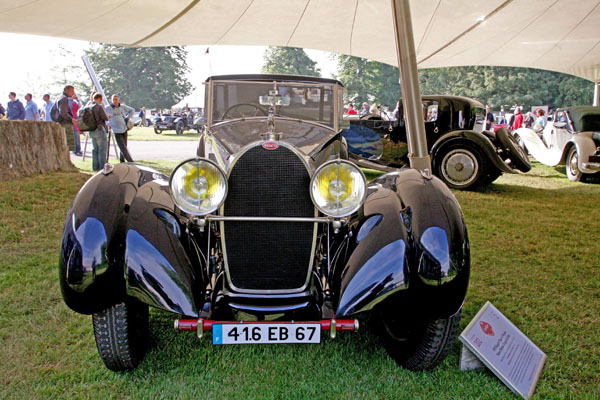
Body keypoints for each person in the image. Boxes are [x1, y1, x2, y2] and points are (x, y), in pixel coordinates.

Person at [105, 94, 135, 162]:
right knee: (122, 147)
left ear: (118, 100)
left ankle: (122, 160)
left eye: (116, 99)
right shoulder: (107, 108)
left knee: (124, 146)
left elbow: (132, 110)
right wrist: (108, 123)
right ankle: (130, 161)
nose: (115, 101)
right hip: (116, 130)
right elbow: (104, 117)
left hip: (124, 129)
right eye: (113, 99)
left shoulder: (122, 107)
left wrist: (127, 118)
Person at [88, 93, 110, 171]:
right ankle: (102, 167)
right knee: (102, 149)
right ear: (100, 99)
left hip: (91, 130)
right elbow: (105, 117)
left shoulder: (88, 106)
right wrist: (109, 116)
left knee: (95, 149)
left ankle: (95, 167)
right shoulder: (98, 107)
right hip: (99, 129)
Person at [57, 85, 78, 151]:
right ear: (67, 90)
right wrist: (71, 119)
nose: (73, 93)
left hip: (62, 123)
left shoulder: (60, 97)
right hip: (65, 124)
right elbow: (63, 113)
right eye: (72, 91)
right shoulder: (64, 99)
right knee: (67, 144)